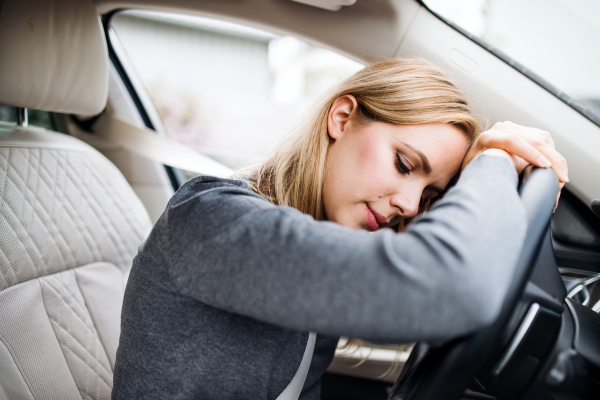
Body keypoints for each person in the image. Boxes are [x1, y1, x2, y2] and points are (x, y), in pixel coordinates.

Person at [112, 58, 568, 399]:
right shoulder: (210, 220)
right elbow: (447, 285)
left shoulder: (326, 231)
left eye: (430, 197)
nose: (408, 205)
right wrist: (491, 164)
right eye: (404, 163)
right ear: (342, 118)